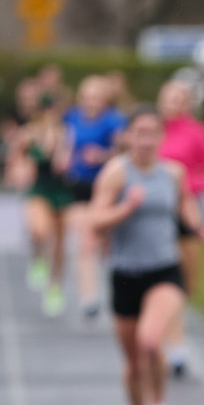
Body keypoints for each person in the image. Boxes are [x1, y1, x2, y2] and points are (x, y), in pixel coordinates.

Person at [84, 107, 204, 405]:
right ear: (127, 136)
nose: (145, 140)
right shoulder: (116, 173)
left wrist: (197, 226)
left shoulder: (172, 173)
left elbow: (185, 204)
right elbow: (95, 220)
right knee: (132, 365)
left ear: (160, 136)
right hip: (125, 275)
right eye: (138, 132)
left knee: (150, 339)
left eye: (151, 132)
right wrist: (126, 208)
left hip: (164, 269)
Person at [156, 76, 204, 378]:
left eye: (179, 99)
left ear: (188, 103)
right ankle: (174, 346)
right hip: (157, 213)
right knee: (165, 279)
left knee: (187, 284)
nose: (173, 105)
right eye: (169, 98)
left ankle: (172, 335)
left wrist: (187, 184)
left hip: (189, 211)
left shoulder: (199, 133)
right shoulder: (150, 131)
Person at [63, 75, 129, 318]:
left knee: (106, 245)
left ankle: (117, 288)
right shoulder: (71, 117)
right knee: (86, 240)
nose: (91, 102)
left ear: (105, 99)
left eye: (97, 97)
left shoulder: (114, 120)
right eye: (87, 97)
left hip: (107, 188)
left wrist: (102, 156)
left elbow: (125, 152)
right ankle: (88, 297)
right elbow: (63, 142)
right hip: (78, 186)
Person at [9, 88, 74, 317]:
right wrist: (20, 170)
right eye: (47, 109)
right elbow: (15, 157)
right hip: (38, 188)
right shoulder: (28, 133)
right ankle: (37, 258)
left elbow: (66, 161)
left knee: (59, 242)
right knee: (39, 230)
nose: (51, 113)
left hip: (60, 189)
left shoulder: (65, 133)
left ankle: (55, 286)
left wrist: (61, 156)